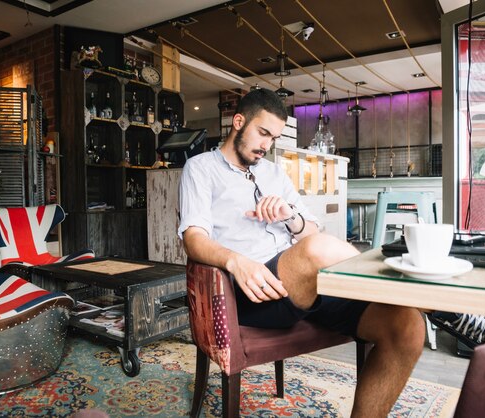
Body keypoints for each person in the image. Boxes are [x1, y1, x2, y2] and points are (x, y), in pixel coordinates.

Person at [178, 88, 425, 417]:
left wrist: (289, 217)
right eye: (262, 133)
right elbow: (193, 238)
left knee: (408, 327)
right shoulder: (200, 169)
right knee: (318, 250)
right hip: (251, 290)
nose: (266, 145)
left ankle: (415, 301)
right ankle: (429, 298)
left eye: (273, 137)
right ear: (238, 122)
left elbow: (310, 229)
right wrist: (236, 262)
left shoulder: (274, 174)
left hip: (303, 285)